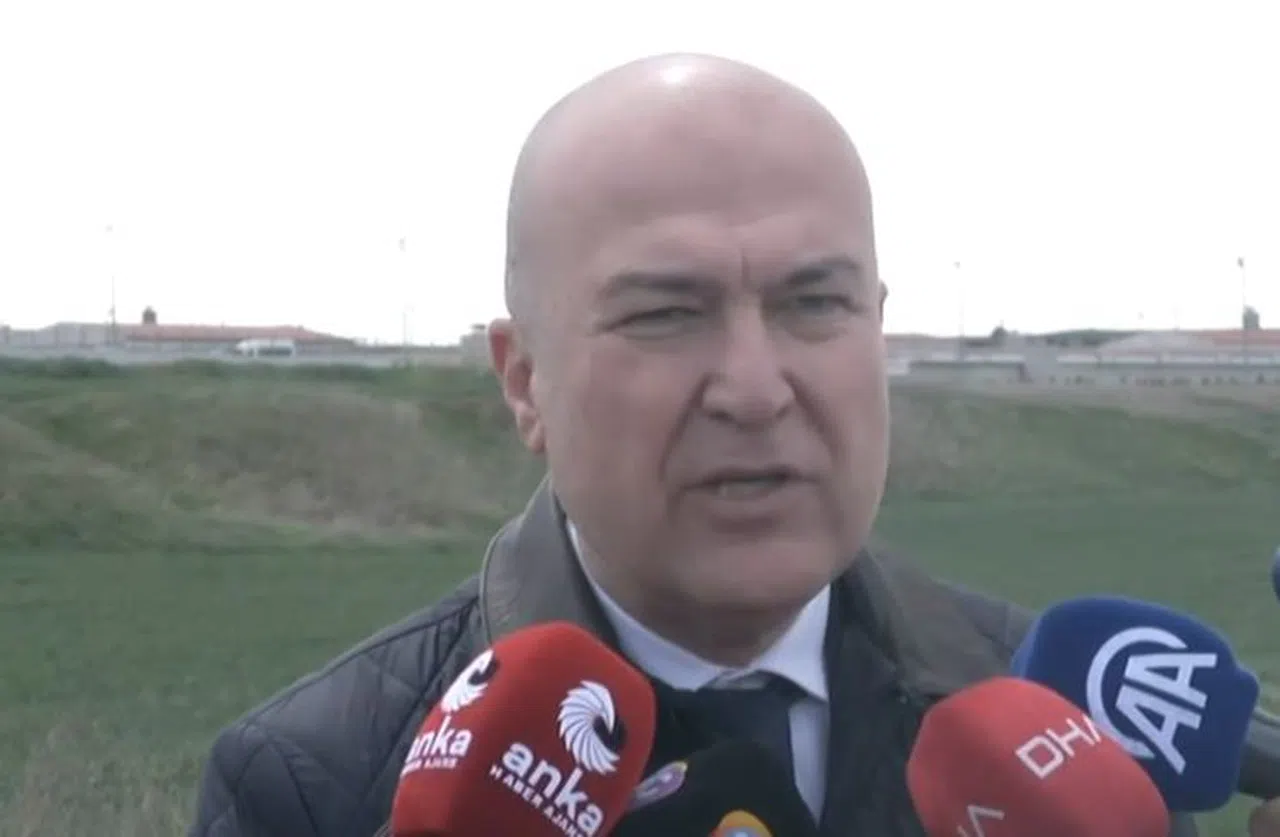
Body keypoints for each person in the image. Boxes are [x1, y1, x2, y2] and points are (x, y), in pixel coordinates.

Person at [189, 53, 1257, 836]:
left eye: (814, 303)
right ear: (525, 382)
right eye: (665, 313)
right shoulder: (314, 785)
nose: (754, 389)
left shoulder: (1063, 727)